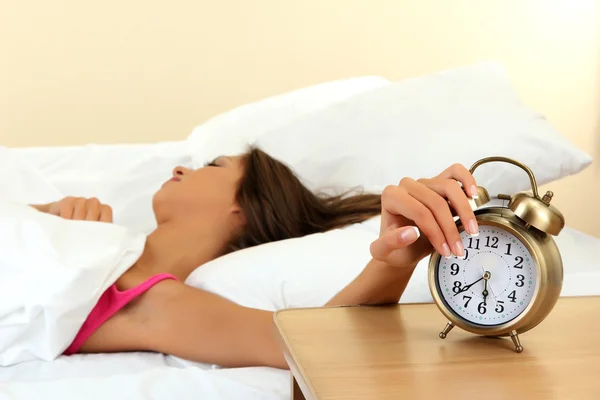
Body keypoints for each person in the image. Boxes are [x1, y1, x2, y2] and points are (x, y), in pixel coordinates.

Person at [31, 147, 479, 369]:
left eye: (213, 165)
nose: (180, 169)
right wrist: (47, 218)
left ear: (244, 207)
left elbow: (312, 347)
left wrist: (390, 261)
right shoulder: (89, 234)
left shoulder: (149, 304)